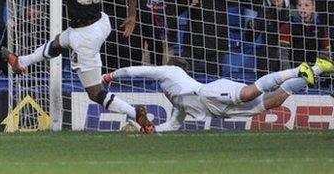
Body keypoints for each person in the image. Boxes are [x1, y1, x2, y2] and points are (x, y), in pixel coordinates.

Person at [1, 0, 154, 133]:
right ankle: (22, 61)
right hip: (101, 22)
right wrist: (132, 16)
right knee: (60, 42)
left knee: (94, 92)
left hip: (85, 36)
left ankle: (135, 114)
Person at [102, 56, 334, 132]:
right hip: (217, 111)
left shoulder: (169, 71)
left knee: (249, 93)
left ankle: (297, 69)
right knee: (269, 103)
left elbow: (138, 71)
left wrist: (111, 76)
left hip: (210, 94)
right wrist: (151, 129)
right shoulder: (176, 98)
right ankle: (316, 69)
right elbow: (173, 124)